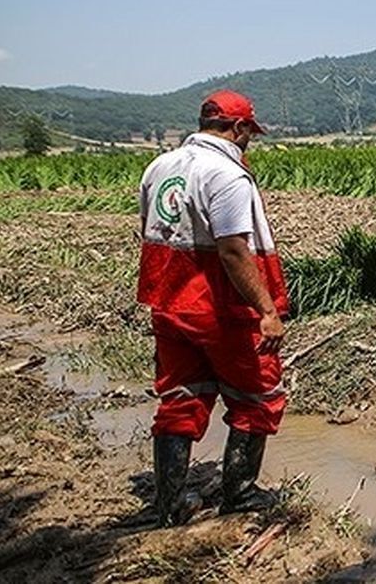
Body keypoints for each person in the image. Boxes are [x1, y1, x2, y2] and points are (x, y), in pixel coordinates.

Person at [138, 90, 288, 527]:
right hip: (220, 307)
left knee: (180, 397)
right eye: (249, 132)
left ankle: (170, 504)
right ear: (238, 128)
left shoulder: (159, 167)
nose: (249, 140)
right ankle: (239, 493)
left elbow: (149, 230)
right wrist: (267, 311)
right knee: (257, 396)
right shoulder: (227, 174)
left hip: (169, 304)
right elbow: (233, 250)